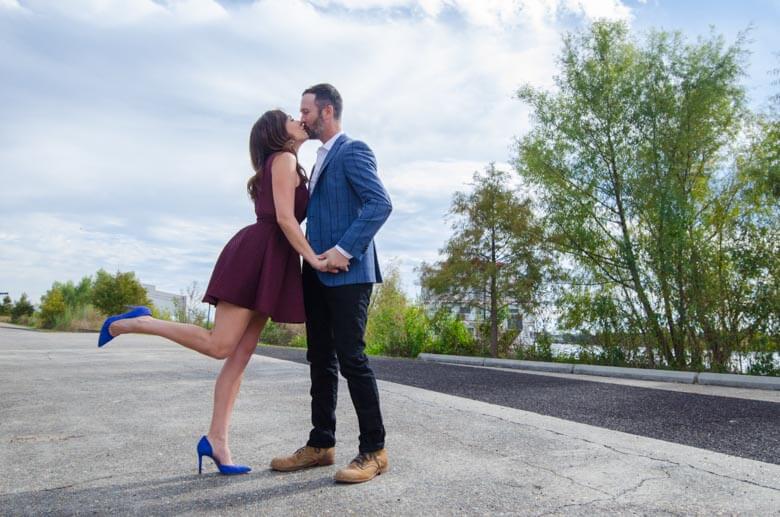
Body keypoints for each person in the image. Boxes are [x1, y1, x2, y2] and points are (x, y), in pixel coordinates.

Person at [96, 109, 328, 475]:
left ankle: (217, 442)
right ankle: (138, 322)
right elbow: (285, 218)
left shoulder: (291, 164)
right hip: (258, 257)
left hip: (273, 263)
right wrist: (313, 259)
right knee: (219, 346)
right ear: (275, 132)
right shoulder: (282, 159)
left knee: (240, 357)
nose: (297, 119)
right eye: (289, 117)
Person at [270, 84, 393, 484]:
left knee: (352, 358)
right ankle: (321, 444)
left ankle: (374, 451)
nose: (300, 116)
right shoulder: (316, 159)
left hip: (349, 272)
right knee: (320, 359)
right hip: (316, 274)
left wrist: (344, 249)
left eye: (305, 110)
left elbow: (380, 203)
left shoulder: (352, 150)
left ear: (326, 111)